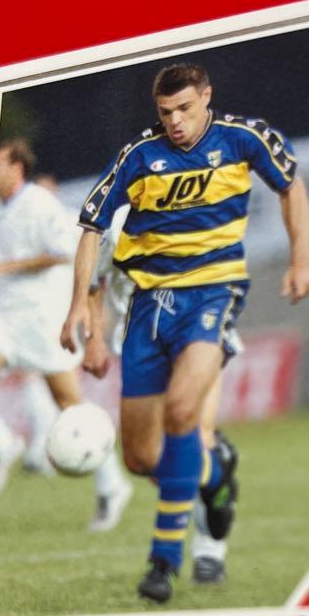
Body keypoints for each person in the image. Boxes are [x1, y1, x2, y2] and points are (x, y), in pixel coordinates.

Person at [62, 63, 309, 601]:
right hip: (148, 315)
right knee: (142, 458)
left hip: (211, 298)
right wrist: (86, 323)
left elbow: (290, 183)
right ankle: (215, 475)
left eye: (184, 109)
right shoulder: (137, 162)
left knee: (186, 418)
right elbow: (92, 243)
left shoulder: (242, 138)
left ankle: (176, 557)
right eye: (165, 112)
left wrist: (301, 260)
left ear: (206, 98)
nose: (175, 121)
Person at [0, 138, 132, 531]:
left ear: (17, 167)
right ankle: (3, 444)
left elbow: (66, 251)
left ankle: (112, 485)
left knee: (71, 406)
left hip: (43, 318)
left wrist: (4, 269)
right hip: (6, 317)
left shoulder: (39, 204)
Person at [85, 221, 229, 582]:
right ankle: (216, 471)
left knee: (195, 434)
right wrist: (94, 339)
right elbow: (94, 280)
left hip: (199, 329)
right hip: (141, 343)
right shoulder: (112, 223)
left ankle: (207, 550)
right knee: (144, 459)